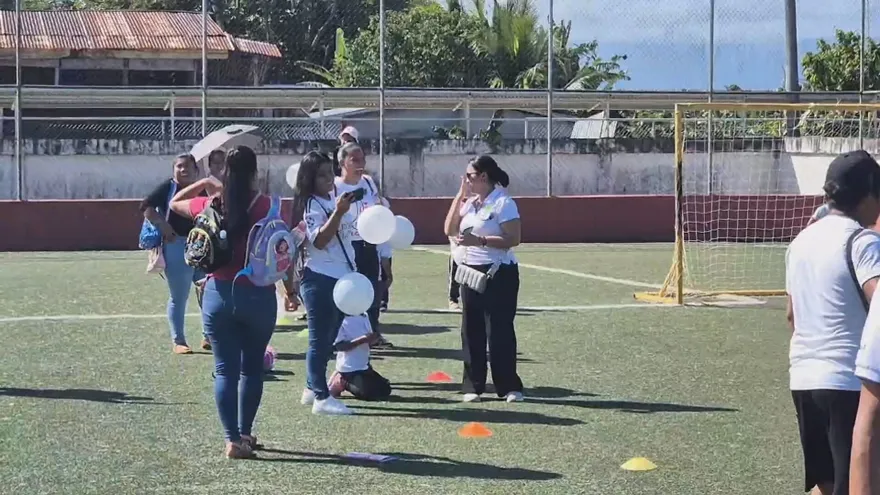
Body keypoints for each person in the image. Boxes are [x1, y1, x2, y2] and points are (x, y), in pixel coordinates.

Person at [168, 146, 277, 459]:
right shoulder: (269, 205)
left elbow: (175, 204)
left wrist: (207, 184)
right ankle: (244, 433)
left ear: (224, 172)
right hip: (258, 294)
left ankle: (232, 440)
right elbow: (279, 249)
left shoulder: (210, 203)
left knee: (225, 370)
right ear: (255, 172)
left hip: (218, 293)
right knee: (252, 370)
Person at [785, 150, 880, 495]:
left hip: (803, 378)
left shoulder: (799, 242)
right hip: (849, 383)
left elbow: (791, 315)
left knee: (825, 486)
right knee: (860, 482)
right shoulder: (862, 241)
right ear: (868, 194)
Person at [442, 155, 524, 403]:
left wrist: (481, 241)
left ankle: (509, 386)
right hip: (470, 271)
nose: (466, 180)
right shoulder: (470, 204)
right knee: (471, 330)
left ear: (483, 177)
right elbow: (449, 229)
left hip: (498, 272)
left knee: (499, 330)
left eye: (469, 176)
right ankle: (473, 385)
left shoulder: (503, 203)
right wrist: (460, 195)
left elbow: (514, 238)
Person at [290, 151, 357, 416]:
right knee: (320, 340)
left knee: (329, 337)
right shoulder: (311, 205)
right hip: (319, 278)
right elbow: (319, 241)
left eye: (330, 172)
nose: (329, 179)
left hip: (340, 278)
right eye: (322, 175)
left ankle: (311, 386)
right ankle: (321, 396)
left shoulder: (330, 199)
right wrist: (339, 213)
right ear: (309, 178)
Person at [139, 153, 206, 355]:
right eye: (179, 166)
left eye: (188, 167)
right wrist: (163, 225)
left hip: (202, 245)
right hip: (176, 244)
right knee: (179, 296)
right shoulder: (168, 188)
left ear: (196, 170)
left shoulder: (201, 189)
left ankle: (209, 336)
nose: (183, 170)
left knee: (208, 291)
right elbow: (146, 207)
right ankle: (179, 341)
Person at [334, 142, 393, 348]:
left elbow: (377, 212)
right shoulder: (335, 187)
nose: (361, 164)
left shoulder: (368, 182)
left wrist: (385, 254)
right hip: (346, 247)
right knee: (350, 293)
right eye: (355, 160)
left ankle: (373, 334)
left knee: (372, 292)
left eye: (363, 159)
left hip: (369, 245)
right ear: (343, 162)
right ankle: (347, 337)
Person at [328, 313, 392, 401]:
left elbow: (367, 341)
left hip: (364, 367)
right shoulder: (339, 319)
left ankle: (350, 379)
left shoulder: (364, 316)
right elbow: (340, 346)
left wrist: (374, 339)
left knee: (385, 390)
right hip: (349, 369)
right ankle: (341, 380)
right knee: (367, 393)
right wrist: (363, 339)